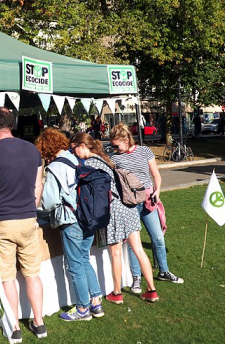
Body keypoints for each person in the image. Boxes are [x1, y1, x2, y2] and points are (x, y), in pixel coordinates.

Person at [0, 107, 46, 342]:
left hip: (1, 221)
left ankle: (14, 326)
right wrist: (31, 208)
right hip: (28, 219)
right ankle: (39, 322)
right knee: (32, 274)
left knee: (7, 277)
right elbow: (38, 186)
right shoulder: (32, 150)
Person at [71, 132, 159, 304]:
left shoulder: (89, 165)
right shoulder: (106, 159)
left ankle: (117, 293)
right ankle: (151, 290)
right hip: (129, 207)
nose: (73, 153)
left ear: (82, 146)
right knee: (139, 250)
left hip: (112, 210)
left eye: (74, 148)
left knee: (116, 253)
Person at [36, 128, 104, 321]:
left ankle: (83, 308)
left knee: (74, 265)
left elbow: (49, 201)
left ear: (46, 150)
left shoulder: (56, 167)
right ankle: (96, 302)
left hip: (70, 220)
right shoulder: (77, 159)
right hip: (87, 216)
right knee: (84, 259)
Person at [109, 122, 183, 293]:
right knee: (134, 244)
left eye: (116, 145)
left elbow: (156, 175)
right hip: (128, 204)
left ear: (126, 140)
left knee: (157, 237)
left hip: (148, 200)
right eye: (112, 145)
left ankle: (164, 271)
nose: (114, 148)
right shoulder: (114, 158)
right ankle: (137, 278)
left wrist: (158, 191)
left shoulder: (144, 151)